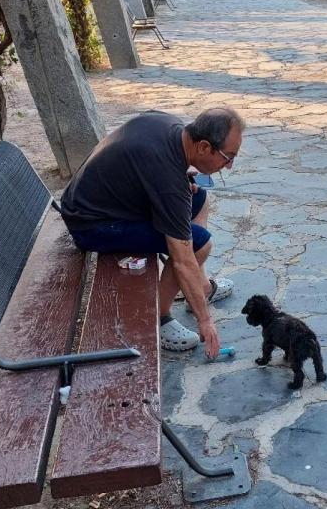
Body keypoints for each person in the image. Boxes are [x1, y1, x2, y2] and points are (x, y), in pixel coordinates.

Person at [59, 108, 245, 358]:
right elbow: (182, 258)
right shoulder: (168, 181)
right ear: (203, 147)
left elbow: (142, 161)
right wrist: (205, 321)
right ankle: (157, 317)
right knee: (199, 245)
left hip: (95, 203)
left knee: (199, 198)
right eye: (227, 156)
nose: (229, 165)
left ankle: (198, 287)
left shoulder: (170, 125)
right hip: (93, 226)